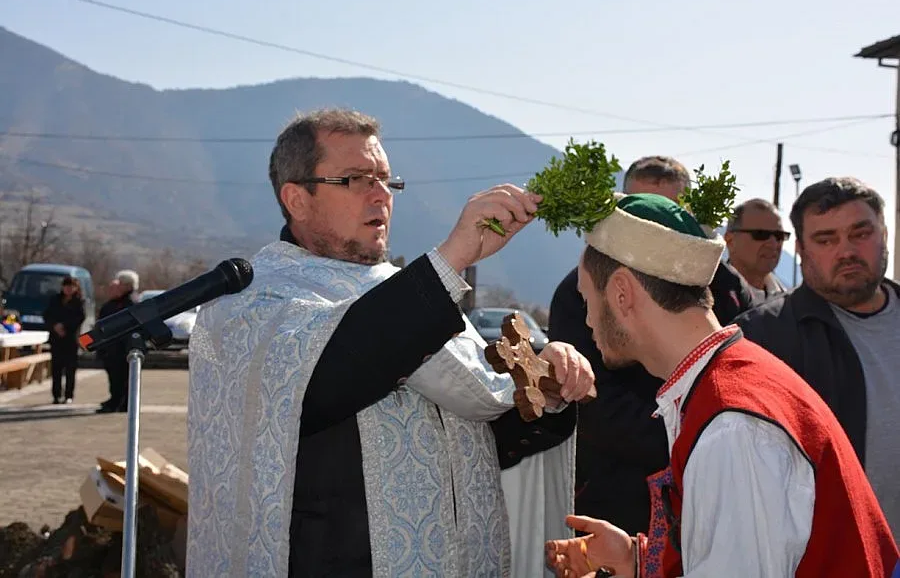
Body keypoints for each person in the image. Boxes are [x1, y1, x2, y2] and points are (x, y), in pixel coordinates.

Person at [187, 108, 595, 577]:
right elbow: (335, 375)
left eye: (385, 180)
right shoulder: (253, 303)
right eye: (356, 179)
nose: (381, 194)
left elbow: (485, 431)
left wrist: (547, 387)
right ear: (297, 199)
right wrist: (453, 258)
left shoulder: (414, 297)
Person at [545, 192, 898, 577]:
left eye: (587, 299)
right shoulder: (729, 381)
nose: (589, 321)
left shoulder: (731, 427)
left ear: (621, 294)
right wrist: (638, 559)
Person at [547, 155, 753, 535]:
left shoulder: (735, 430)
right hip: (617, 492)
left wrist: (691, 442)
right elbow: (593, 401)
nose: (653, 229)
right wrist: (680, 441)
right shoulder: (580, 289)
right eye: (637, 215)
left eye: (667, 213)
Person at [736, 176, 900, 543]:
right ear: (803, 251)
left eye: (860, 234)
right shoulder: (761, 339)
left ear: (884, 235)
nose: (846, 251)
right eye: (826, 240)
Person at [724, 197, 789, 302]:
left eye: (779, 236)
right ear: (730, 240)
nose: (773, 244)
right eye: (761, 234)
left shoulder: (788, 303)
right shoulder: (707, 298)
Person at [96, 270, 138, 413]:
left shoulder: (130, 302)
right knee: (115, 377)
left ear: (127, 285)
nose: (117, 286)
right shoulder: (116, 302)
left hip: (122, 347)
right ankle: (116, 400)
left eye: (120, 283)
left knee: (122, 378)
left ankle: (119, 403)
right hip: (111, 347)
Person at [42, 276, 86, 404]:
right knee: (56, 368)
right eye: (66, 286)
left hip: (70, 339)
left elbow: (80, 318)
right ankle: (56, 395)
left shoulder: (78, 302)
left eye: (71, 286)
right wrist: (55, 325)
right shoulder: (55, 299)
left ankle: (69, 395)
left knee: (70, 368)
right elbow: (47, 315)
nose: (68, 289)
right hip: (56, 339)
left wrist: (65, 326)